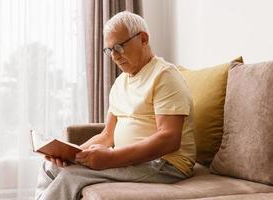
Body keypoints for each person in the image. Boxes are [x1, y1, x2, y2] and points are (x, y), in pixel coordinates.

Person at [35, 11, 196, 200]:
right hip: (131, 159)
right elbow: (107, 135)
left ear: (143, 39)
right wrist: (71, 154)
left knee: (71, 177)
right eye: (109, 50)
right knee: (51, 167)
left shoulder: (165, 75)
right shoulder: (121, 83)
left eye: (119, 47)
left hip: (166, 164)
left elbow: (169, 138)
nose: (114, 56)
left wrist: (111, 158)